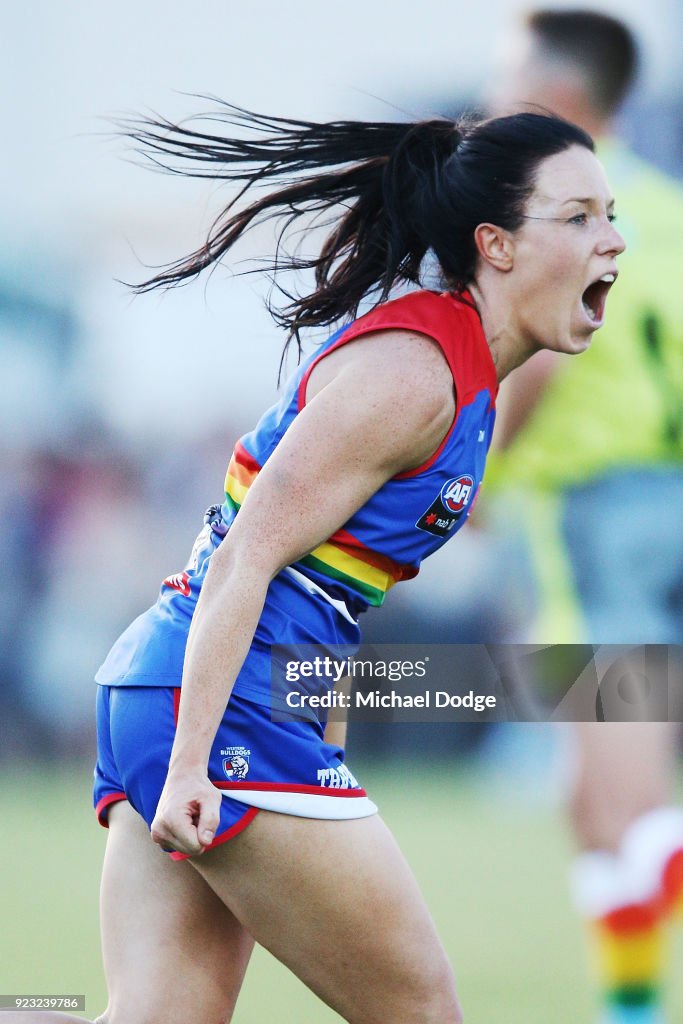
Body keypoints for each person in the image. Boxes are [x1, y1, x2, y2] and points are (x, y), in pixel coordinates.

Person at [7, 102, 624, 1024]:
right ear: (494, 245)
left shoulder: (470, 375)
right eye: (576, 217)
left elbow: (328, 598)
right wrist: (189, 765)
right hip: (213, 705)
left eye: (610, 215)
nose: (611, 240)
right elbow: (244, 561)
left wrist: (305, 746)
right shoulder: (415, 373)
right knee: (421, 1012)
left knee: (162, 1015)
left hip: (190, 693)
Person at [486, 10, 683, 1024]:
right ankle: (632, 1007)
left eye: (505, 82)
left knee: (627, 795)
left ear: (557, 101)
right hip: (667, 500)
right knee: (585, 801)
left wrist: (471, 485)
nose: (491, 103)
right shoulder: (667, 207)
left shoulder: (554, 212)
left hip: (588, 515)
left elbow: (536, 359)